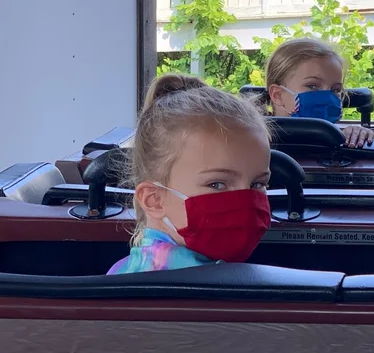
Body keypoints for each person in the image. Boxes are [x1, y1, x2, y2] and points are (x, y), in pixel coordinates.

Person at [108, 75, 272, 274]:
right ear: (154, 200)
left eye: (257, 184)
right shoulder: (212, 290)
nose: (245, 202)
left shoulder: (120, 270)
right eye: (217, 184)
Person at [264, 38, 373, 148]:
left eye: (335, 89)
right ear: (277, 95)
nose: (327, 97)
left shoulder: (335, 138)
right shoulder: (256, 143)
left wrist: (353, 135)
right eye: (312, 86)